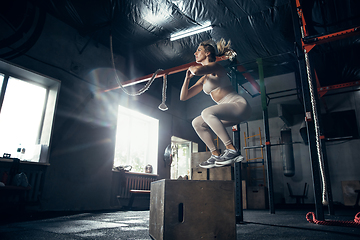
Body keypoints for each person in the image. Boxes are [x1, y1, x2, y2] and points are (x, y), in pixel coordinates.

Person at [180, 39, 252, 168]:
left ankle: (232, 149)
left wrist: (191, 68)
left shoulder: (216, 67)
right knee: (197, 122)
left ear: (207, 53)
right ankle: (216, 154)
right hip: (228, 113)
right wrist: (187, 78)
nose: (195, 53)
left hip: (239, 105)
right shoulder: (204, 79)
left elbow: (196, 70)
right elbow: (184, 97)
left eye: (199, 50)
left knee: (207, 112)